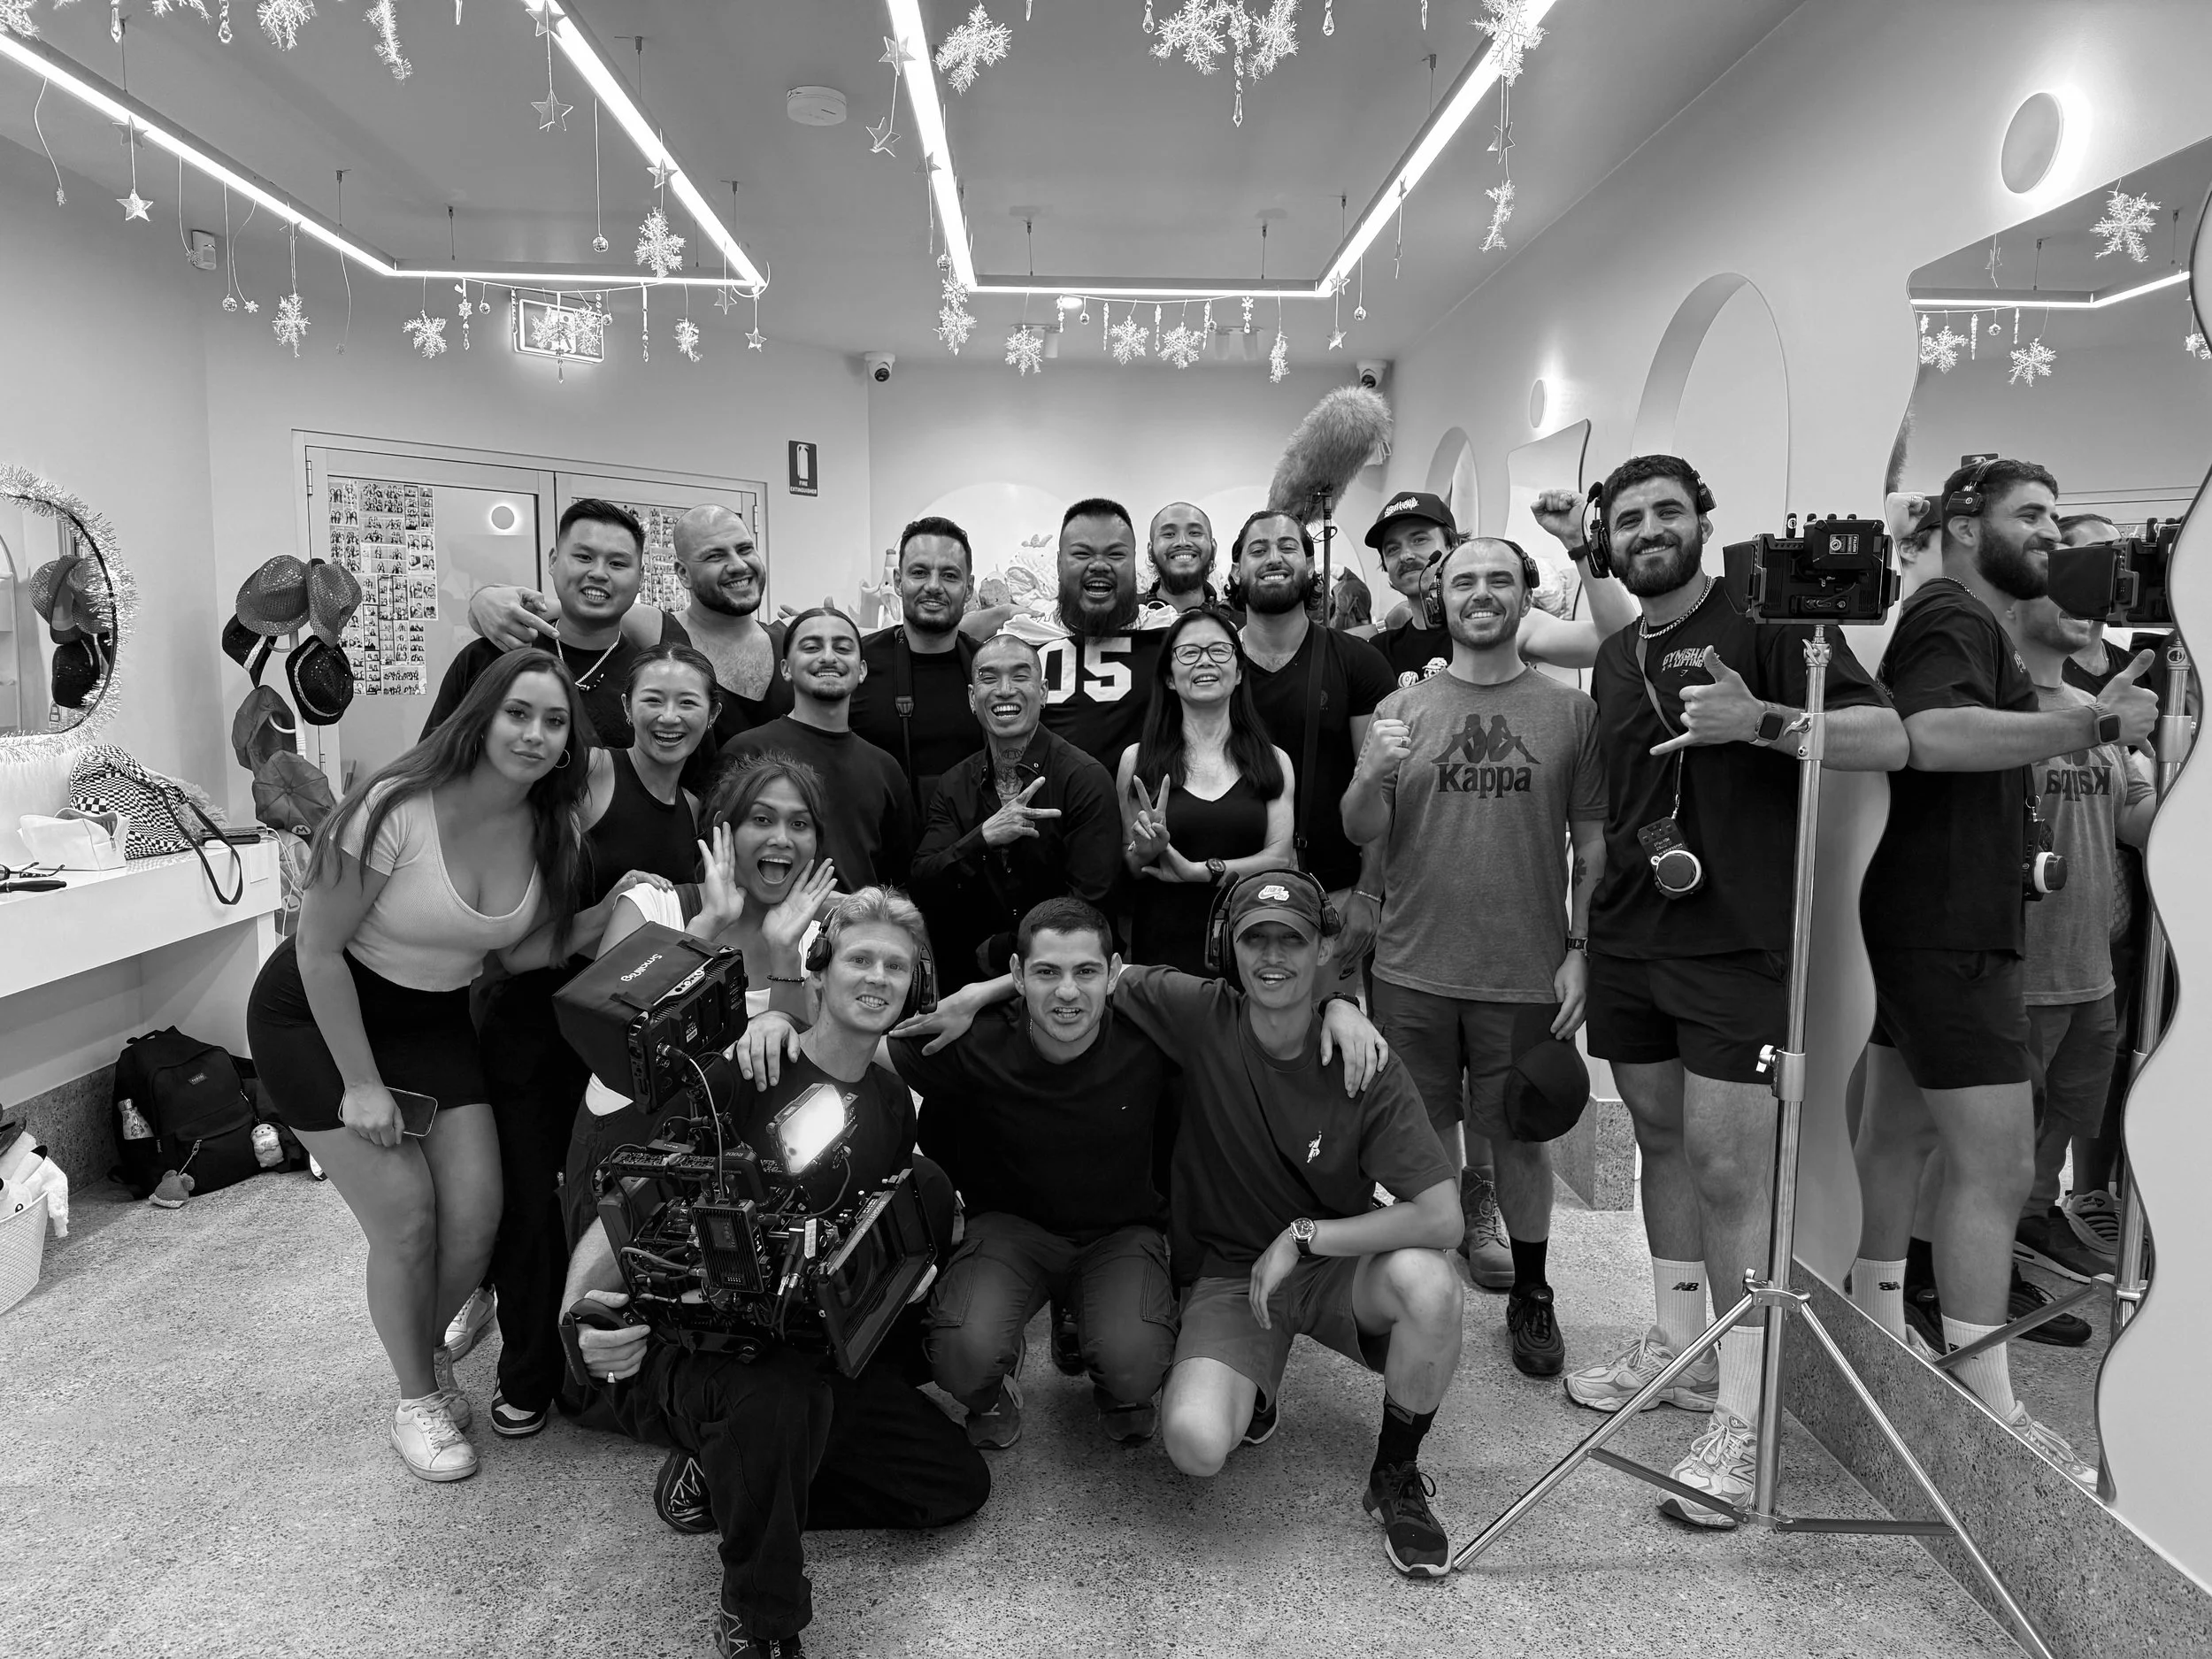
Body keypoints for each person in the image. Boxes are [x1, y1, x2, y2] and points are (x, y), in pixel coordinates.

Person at [1545, 453, 1906, 1530]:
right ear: (1606, 541)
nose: (1647, 530)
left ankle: (1745, 1420)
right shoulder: (1618, 654)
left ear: (1702, 521)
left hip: (1734, 943)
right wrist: (1582, 933)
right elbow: (1616, 806)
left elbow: (1886, 738)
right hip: (1629, 939)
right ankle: (1679, 1345)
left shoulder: (1772, 628)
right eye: (1627, 519)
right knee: (1658, 1140)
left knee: (1727, 1167)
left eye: (1667, 512)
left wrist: (1763, 723)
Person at [919, 870, 1460, 1576]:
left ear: (1324, 949)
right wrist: (981, 991)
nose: (1273, 956)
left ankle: (1396, 1471)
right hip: (1234, 1274)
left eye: (1292, 941)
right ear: (1226, 947)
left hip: (1334, 1261)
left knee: (1431, 1284)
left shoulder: (1362, 1056)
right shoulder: (1200, 1012)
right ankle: (1255, 1390)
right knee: (1195, 1443)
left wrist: (1307, 1235)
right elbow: (1085, 973)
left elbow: (1443, 1217)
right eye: (1256, 939)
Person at [562, 888, 989, 1659]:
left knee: (952, 1485)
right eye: (860, 958)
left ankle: (725, 1479)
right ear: (818, 971)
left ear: (915, 987)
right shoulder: (749, 1069)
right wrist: (579, 1320)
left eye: (896, 966)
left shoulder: (891, 1100)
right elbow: (628, 1200)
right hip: (701, 1347)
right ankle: (761, 1615)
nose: (878, 977)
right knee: (780, 1400)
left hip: (804, 1335)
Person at [1852, 458, 2154, 1488]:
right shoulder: (1952, 613)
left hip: (1932, 921)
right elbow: (1928, 737)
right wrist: (2091, 722)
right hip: (1948, 932)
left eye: (2055, 519)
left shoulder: (1960, 620)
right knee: (1999, 1167)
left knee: (1894, 1137)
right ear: (1959, 521)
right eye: (2030, 515)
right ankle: (1987, 1399)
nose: (2049, 534)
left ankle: (1878, 1333)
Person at [247, 649, 592, 1482]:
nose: (535, 734)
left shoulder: (552, 826)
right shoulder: (394, 805)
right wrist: (361, 1083)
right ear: (481, 716)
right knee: (406, 1218)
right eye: (519, 713)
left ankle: (423, 1350)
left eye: (554, 722)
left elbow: (515, 950)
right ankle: (415, 1396)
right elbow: (318, 948)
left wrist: (615, 910)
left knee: (475, 1219)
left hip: (433, 1020)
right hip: (318, 1016)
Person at [738, 896, 1178, 1449]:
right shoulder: (973, 1039)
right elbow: (842, 1041)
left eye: (1085, 972)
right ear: (1018, 974)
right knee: (962, 1355)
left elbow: (1237, 1013)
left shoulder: (1152, 1037)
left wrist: (982, 989)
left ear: (1113, 973)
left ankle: (1111, 1371)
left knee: (1134, 1362)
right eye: (1046, 972)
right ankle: (993, 1389)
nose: (1067, 991)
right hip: (1012, 1231)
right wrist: (777, 1017)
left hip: (1121, 1233)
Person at [1343, 537, 1608, 1378]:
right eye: (1465, 581)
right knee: (1419, 1140)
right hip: (1412, 968)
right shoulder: (1402, 707)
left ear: (1526, 595)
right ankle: (1421, 1285)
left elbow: (1592, 848)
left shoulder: (1571, 713)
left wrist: (1580, 949)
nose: (1482, 593)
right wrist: (1368, 773)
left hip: (1524, 970)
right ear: (1441, 597)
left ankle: (1532, 1290)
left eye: (1499, 579)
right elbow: (1361, 829)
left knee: (1521, 1137)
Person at [465, 644, 724, 1439]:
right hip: (534, 1025)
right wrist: (605, 908)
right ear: (625, 707)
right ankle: (526, 1374)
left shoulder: (692, 809)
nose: (669, 716)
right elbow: (514, 938)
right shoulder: (592, 778)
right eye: (653, 699)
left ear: (712, 714)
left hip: (616, 1044)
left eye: (688, 702)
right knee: (530, 1204)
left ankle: (597, 1359)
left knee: (594, 1199)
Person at [2006, 590, 2154, 1287]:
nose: (2088, 608)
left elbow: (2135, 820)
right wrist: (2095, 724)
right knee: (2010, 1123)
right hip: (2021, 966)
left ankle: (2034, 1217)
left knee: (2068, 1110)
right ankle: (1989, 1244)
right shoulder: (2002, 707)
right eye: (2066, 587)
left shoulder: (2099, 705)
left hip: (2091, 965)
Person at [465, 503, 793, 785]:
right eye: (715, 556)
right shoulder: (657, 632)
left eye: (745, 549)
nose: (738, 565)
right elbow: (577, 604)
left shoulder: (794, 643)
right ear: (682, 574)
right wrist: (485, 599)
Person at [1225, 510, 1398, 992]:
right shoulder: (1212, 664)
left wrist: (1370, 891)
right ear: (1236, 570)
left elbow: (1381, 785)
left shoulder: (1358, 663)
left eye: (1287, 547)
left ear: (1310, 564)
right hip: (1225, 892)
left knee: (1326, 1030)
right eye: (1258, 549)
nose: (1273, 558)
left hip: (1331, 898)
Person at [910, 634, 1121, 987]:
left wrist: (1004, 949)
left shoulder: (1083, 778)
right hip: (965, 985)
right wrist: (983, 838)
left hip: (1064, 980)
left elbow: (1091, 907)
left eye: (1020, 676)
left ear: (1044, 691)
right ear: (972, 698)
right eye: (989, 678)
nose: (1005, 690)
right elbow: (923, 886)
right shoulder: (954, 784)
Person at [1117, 605, 1295, 973]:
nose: (1205, 661)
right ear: (1169, 677)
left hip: (1251, 947)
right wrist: (1145, 850)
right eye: (1188, 652)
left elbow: (1280, 858)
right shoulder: (1138, 761)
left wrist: (1199, 871)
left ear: (1239, 672)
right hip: (1162, 953)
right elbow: (1130, 864)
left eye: (1219, 650)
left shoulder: (1274, 760)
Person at [716, 607, 916, 890]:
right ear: (786, 669)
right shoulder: (747, 752)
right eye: (812, 647)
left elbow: (900, 881)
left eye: (843, 648)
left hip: (860, 918)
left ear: (861, 670)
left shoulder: (886, 770)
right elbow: (720, 864)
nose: (829, 657)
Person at [426, 498, 649, 749]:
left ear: (640, 577)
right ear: (553, 561)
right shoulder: (489, 657)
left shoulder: (650, 679)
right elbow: (433, 761)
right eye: (584, 557)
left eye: (617, 563)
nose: (598, 573)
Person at [986, 498, 1178, 772]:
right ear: (1059, 564)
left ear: (1134, 563)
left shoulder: (1170, 634)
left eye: (1115, 554)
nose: (1099, 565)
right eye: (1082, 554)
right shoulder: (1021, 641)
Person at [849, 517, 984, 817]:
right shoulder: (857, 665)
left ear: (969, 588)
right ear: (898, 581)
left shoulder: (989, 670)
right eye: (919, 573)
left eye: (950, 575)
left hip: (976, 839)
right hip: (878, 840)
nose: (933, 586)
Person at [1145, 500, 1233, 613]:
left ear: (1213, 547)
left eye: (1194, 533)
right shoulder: (1129, 618)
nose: (1182, 542)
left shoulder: (1240, 622)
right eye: (1169, 534)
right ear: (1150, 551)